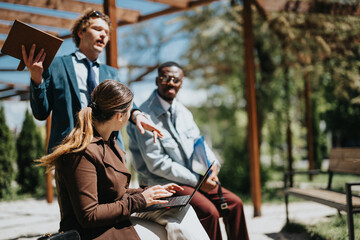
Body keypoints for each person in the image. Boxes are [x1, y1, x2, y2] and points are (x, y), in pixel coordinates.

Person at [36, 79, 209, 240]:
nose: (131, 117)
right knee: (167, 232)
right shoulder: (81, 152)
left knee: (183, 214)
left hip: (113, 220)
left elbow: (116, 192)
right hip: (92, 232)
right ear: (120, 116)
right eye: (130, 111)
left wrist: (151, 191)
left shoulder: (110, 142)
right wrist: (141, 200)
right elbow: (89, 216)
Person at [127, 61, 249, 240]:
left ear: (181, 84)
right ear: (157, 80)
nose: (171, 82)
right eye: (165, 78)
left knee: (235, 204)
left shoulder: (184, 112)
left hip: (189, 180)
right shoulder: (144, 116)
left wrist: (212, 166)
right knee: (209, 212)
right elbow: (157, 164)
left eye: (176, 80)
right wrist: (198, 180)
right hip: (161, 183)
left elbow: (198, 142)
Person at [22, 9, 161, 153]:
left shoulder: (111, 72)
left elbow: (123, 102)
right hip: (70, 151)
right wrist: (36, 77)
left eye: (107, 33)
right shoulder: (56, 65)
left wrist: (137, 115)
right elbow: (40, 113)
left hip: (109, 150)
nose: (103, 35)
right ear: (80, 32)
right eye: (97, 29)